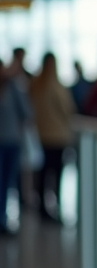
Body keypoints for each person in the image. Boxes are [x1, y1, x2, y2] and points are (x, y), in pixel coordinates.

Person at [29, 54, 75, 224]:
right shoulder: (56, 86)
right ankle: (56, 206)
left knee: (43, 173)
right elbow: (68, 109)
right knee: (56, 174)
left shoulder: (35, 86)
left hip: (41, 134)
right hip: (56, 136)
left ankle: (43, 206)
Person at [0, 64, 31, 235]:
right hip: (6, 142)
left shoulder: (13, 88)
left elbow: (27, 112)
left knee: (6, 182)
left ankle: (2, 219)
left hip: (12, 142)